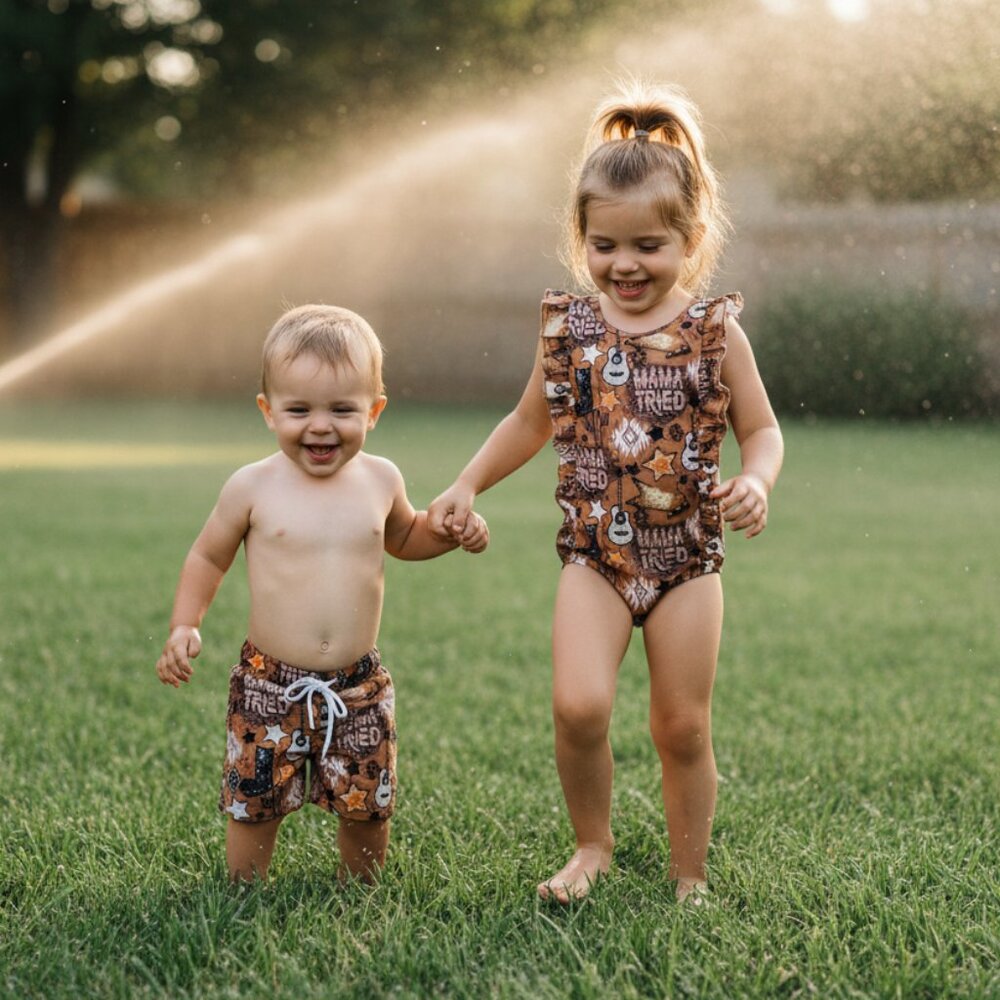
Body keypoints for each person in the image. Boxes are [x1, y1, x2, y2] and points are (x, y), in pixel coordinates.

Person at [428, 82, 783, 905]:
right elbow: (527, 422)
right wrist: (467, 481)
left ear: (691, 241)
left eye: (649, 246)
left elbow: (761, 430)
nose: (625, 264)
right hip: (595, 555)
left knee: (681, 726)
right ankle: (592, 847)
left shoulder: (715, 333)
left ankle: (688, 875)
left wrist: (756, 480)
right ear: (581, 239)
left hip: (686, 564)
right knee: (579, 706)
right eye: (605, 245)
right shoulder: (570, 331)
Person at [155, 304, 488, 883]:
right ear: (267, 411)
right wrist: (186, 623)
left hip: (357, 684)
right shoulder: (252, 487)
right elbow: (209, 555)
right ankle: (244, 888)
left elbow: (405, 537)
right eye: (299, 409)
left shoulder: (382, 479)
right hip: (268, 684)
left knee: (365, 801)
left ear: (374, 411)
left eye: (342, 409)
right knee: (254, 801)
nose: (321, 426)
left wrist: (450, 533)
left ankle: (358, 889)